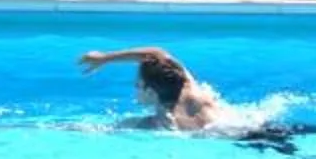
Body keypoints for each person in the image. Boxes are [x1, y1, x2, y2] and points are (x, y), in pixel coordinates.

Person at [79, 45, 223, 130]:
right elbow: (155, 54)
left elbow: (105, 129)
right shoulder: (189, 87)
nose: (135, 91)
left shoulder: (164, 121)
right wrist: (104, 57)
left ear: (150, 92)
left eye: (138, 86)